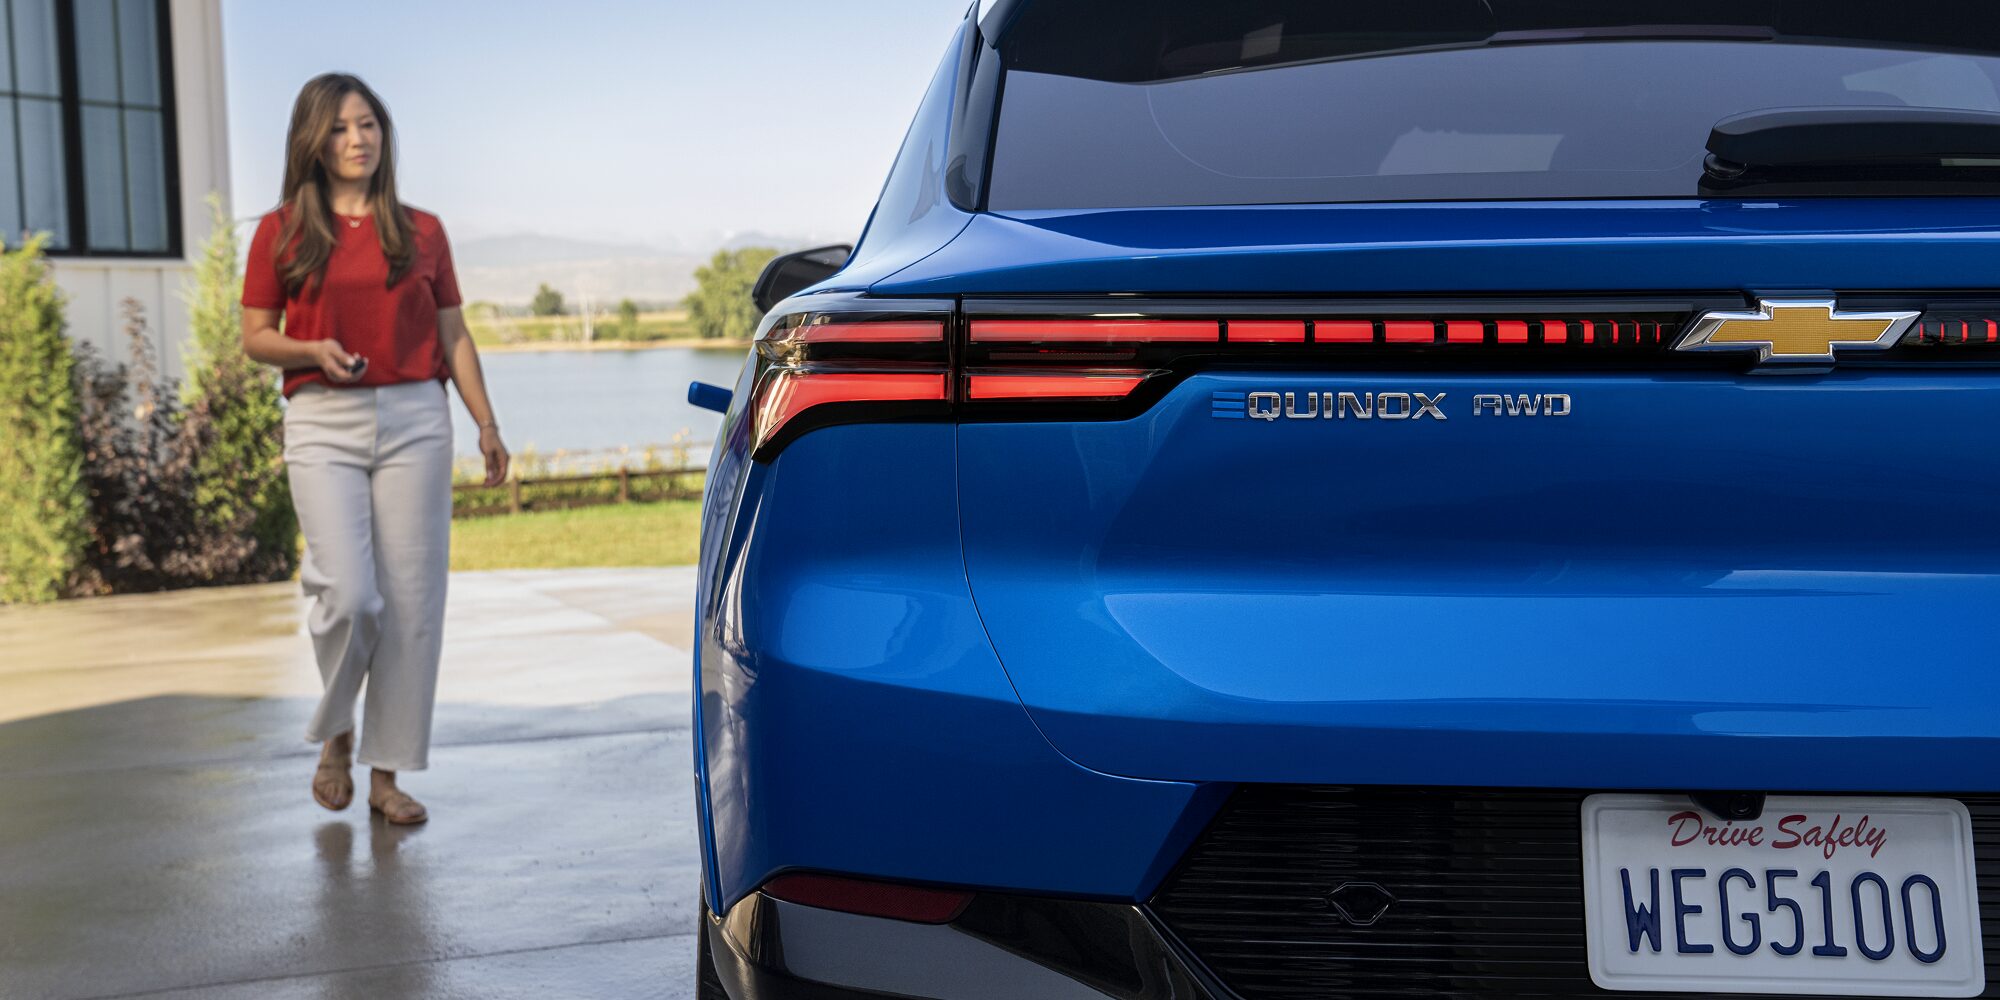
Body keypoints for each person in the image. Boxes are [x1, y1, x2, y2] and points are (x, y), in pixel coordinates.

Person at [241, 73, 509, 825]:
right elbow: (255, 336)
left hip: (418, 418)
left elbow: (453, 333)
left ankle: (386, 774)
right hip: (321, 417)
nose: (357, 140)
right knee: (349, 594)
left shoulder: (422, 231)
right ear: (313, 142)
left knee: (413, 603)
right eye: (339, 129)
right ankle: (336, 732)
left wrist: (486, 423)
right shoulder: (282, 230)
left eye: (368, 125)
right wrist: (310, 349)